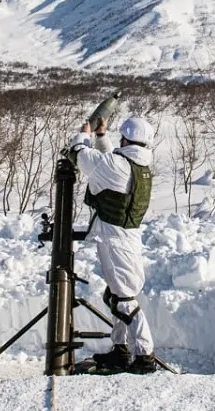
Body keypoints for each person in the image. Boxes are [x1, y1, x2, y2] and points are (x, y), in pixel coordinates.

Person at [67, 115, 157, 374]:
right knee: (117, 296)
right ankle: (121, 349)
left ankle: (144, 355)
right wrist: (101, 137)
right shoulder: (138, 164)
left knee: (124, 300)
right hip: (125, 239)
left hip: (115, 240)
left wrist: (83, 135)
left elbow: (81, 156)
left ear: (126, 138)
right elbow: (110, 163)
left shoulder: (117, 166)